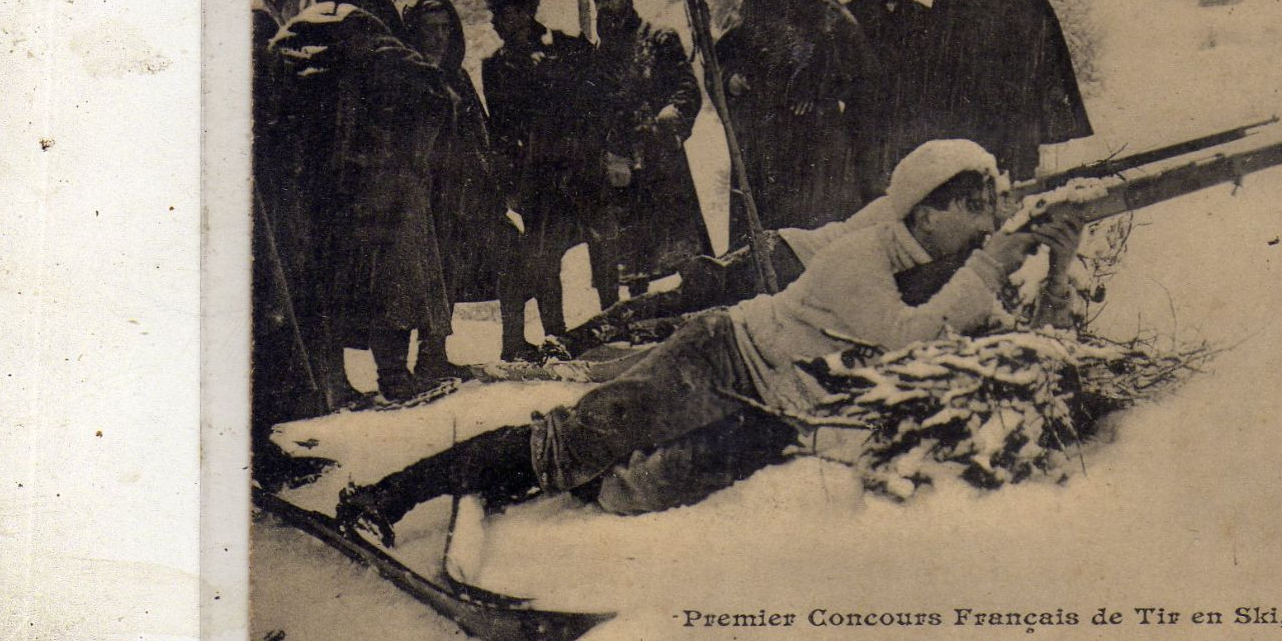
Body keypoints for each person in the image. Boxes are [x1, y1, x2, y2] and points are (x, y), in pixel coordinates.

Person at [336, 139, 1084, 540]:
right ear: (927, 211)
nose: (985, 227)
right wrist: (991, 263)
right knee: (571, 442)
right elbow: (903, 342)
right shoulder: (863, 256)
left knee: (635, 496)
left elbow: (1017, 345)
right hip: (720, 356)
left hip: (774, 410)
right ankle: (381, 496)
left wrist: (1061, 260)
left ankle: (552, 478)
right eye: (973, 211)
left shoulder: (948, 265)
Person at [269, 0, 454, 403]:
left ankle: (332, 383)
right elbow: (427, 87)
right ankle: (393, 377)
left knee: (327, 281)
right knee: (393, 279)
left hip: (311, 186)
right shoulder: (361, 26)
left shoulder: (288, 33)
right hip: (378, 179)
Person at [714, 0, 871, 246]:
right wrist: (730, 79)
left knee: (819, 229)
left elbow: (853, 49)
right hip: (764, 139)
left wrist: (819, 88)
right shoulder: (741, 14)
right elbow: (720, 62)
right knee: (770, 229)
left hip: (812, 134)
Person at [921, 0, 1096, 181]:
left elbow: (1043, 37)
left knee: (1017, 175)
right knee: (974, 175)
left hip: (1015, 101)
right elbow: (938, 48)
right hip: (967, 103)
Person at [480, 0, 597, 362]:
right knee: (539, 258)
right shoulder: (495, 65)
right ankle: (543, 337)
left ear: (527, 11)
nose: (496, 21)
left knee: (604, 247)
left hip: (577, 171)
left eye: (504, 12)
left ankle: (616, 328)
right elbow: (500, 127)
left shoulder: (568, 48)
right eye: (494, 14)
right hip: (534, 179)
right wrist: (508, 183)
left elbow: (594, 108)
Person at [579, 0, 710, 308]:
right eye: (598, 0)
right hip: (620, 160)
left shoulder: (659, 38)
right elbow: (594, 109)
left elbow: (686, 88)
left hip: (660, 154)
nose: (604, 7)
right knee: (629, 248)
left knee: (679, 238)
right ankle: (634, 313)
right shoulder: (599, 54)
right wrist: (610, 152)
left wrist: (674, 115)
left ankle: (700, 302)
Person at [400, 0, 507, 381]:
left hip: (459, 191)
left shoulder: (457, 76)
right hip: (420, 190)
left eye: (446, 28)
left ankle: (435, 353)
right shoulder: (406, 75)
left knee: (449, 271)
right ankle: (415, 361)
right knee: (419, 276)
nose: (439, 37)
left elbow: (479, 130)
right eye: (430, 29)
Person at [845, 0, 930, 200]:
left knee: (910, 194)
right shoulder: (849, 15)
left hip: (911, 123)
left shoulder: (924, 16)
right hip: (865, 124)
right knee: (866, 197)